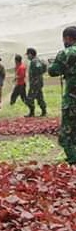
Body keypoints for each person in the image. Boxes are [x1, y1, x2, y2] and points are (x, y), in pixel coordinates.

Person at [48, 26, 76, 165]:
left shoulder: (66, 53)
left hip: (72, 100)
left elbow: (53, 71)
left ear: (68, 38)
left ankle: (73, 159)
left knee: (67, 134)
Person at [24, 47, 47, 117]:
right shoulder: (39, 60)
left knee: (29, 98)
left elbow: (36, 72)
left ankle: (32, 112)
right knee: (39, 97)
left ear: (31, 54)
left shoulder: (34, 61)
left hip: (35, 83)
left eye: (28, 55)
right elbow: (44, 68)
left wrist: (35, 79)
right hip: (39, 82)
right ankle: (44, 111)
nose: (27, 56)